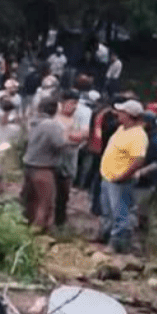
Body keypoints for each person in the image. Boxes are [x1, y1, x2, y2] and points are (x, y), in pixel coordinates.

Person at [96, 100, 148, 254]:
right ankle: (105, 236)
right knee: (107, 210)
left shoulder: (138, 135)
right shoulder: (122, 129)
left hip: (120, 181)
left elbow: (139, 160)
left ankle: (117, 243)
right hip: (108, 177)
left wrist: (124, 176)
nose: (117, 114)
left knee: (120, 213)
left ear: (129, 115)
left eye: (121, 112)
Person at [22, 99, 73, 233]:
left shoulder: (33, 122)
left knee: (30, 200)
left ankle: (25, 227)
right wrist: (70, 140)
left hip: (29, 165)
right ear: (56, 110)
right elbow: (60, 144)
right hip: (43, 168)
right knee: (45, 203)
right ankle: (39, 231)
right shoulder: (52, 125)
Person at [53, 90, 90, 229]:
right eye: (71, 103)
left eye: (76, 104)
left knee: (64, 189)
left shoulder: (80, 116)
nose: (74, 107)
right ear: (62, 103)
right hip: (54, 156)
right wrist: (69, 136)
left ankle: (60, 220)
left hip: (70, 155)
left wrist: (69, 136)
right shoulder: (54, 114)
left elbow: (84, 135)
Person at [133, 109, 157, 232]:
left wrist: (143, 171)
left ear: (149, 123)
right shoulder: (142, 136)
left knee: (142, 210)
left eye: (142, 121)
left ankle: (142, 237)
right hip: (136, 179)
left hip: (148, 181)